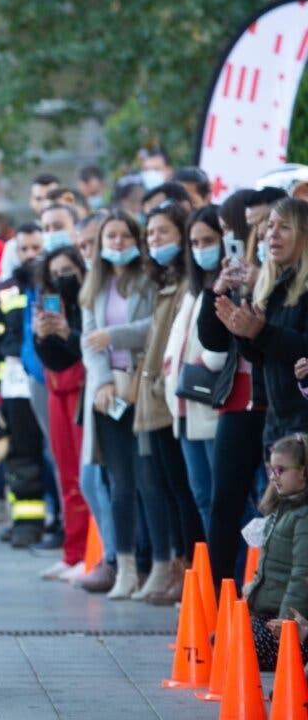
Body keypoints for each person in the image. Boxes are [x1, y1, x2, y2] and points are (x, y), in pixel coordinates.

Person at [130, 201, 203, 605]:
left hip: (170, 402)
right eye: (151, 234)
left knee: (185, 493)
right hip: (153, 402)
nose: (155, 240)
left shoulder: (189, 284)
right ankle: (181, 571)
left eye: (164, 232)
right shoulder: (163, 282)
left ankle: (193, 574)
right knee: (170, 491)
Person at [80, 210, 154, 600]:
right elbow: (89, 341)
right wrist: (104, 380)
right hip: (109, 393)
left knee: (149, 482)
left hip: (143, 388)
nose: (118, 243)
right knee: (120, 484)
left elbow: (154, 327)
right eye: (111, 237)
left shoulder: (148, 280)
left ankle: (155, 565)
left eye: (125, 236)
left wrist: (113, 335)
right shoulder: (96, 284)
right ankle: (124, 567)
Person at [198, 190, 268, 587]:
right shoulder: (234, 272)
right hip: (235, 398)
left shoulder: (287, 275)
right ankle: (219, 606)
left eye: (235, 228)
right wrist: (219, 291)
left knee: (271, 503)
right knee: (222, 502)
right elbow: (213, 339)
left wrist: (263, 284)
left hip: (276, 401)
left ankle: (264, 606)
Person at [0, 223, 48, 547]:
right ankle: (27, 523)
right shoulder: (3, 292)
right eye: (25, 249)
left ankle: (57, 523)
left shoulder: (58, 285)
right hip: (17, 383)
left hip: (53, 380)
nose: (31, 255)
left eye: (37, 248)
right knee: (21, 455)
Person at [217, 198, 308, 447]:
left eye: (285, 227)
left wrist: (261, 331)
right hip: (277, 422)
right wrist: (243, 332)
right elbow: (263, 359)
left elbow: (302, 353)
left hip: (302, 423)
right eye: (270, 226)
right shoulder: (275, 286)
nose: (272, 235)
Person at [33, 245, 92, 581]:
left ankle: (91, 552)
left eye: (69, 270)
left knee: (86, 476)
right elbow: (51, 358)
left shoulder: (88, 302)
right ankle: (72, 552)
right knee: (65, 473)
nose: (62, 278)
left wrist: (67, 334)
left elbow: (86, 347)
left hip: (84, 389)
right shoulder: (50, 303)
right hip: (57, 389)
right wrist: (43, 338)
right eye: (56, 272)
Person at [163, 205, 223, 535]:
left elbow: (218, 351)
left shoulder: (227, 285)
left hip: (213, 405)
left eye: (209, 240)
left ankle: (237, 577)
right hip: (185, 407)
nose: (201, 249)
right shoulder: (194, 291)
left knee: (223, 499)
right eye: (195, 243)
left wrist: (203, 363)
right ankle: (215, 578)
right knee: (201, 496)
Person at [245, 434, 308, 671]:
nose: (273, 477)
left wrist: (287, 624)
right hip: (270, 613)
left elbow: (302, 575)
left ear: (302, 473)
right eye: (271, 470)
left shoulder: (303, 517)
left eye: (281, 470)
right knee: (232, 638)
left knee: (245, 650)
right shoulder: (283, 509)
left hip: (292, 620)